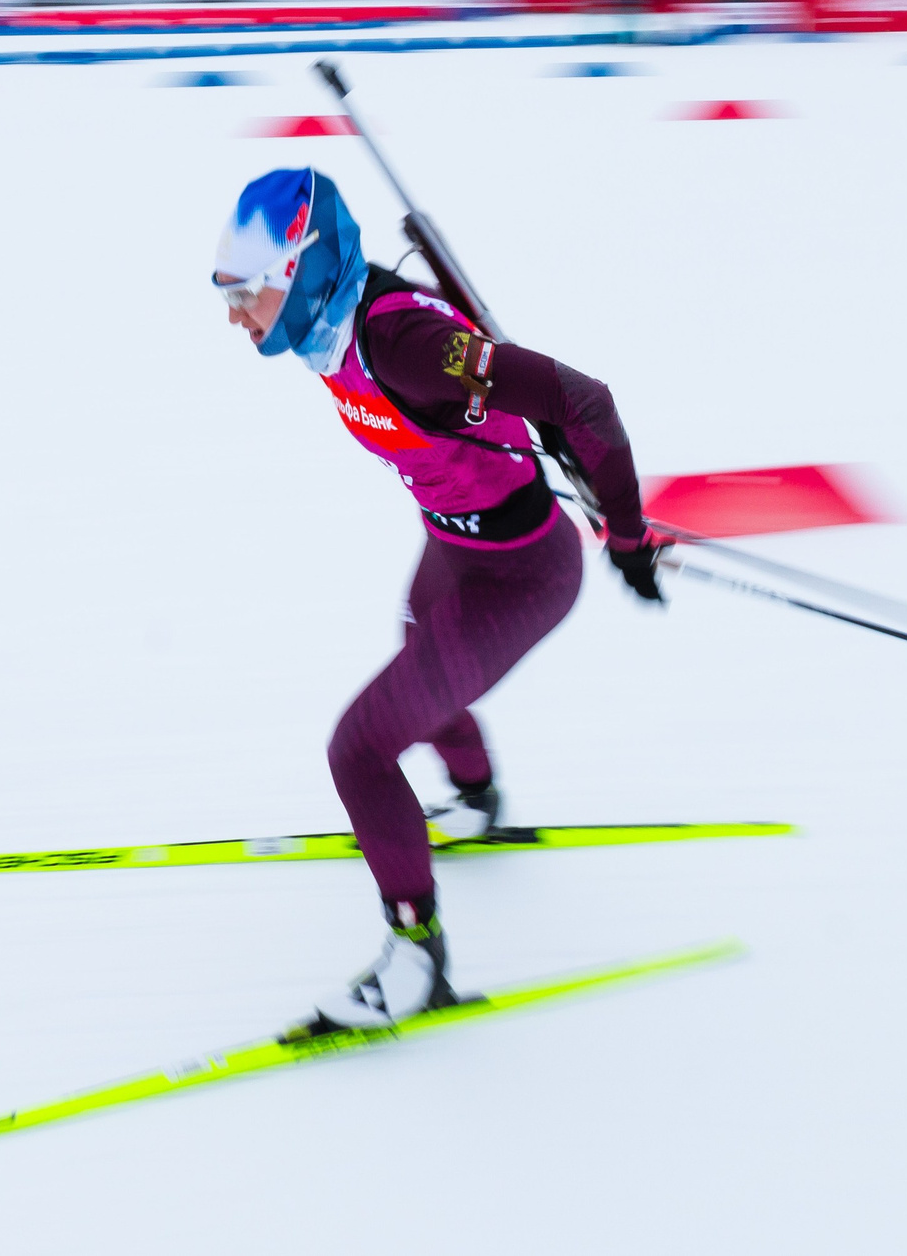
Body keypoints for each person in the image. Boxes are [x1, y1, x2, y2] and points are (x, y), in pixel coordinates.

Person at [211, 167, 665, 1030]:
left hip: (520, 575)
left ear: (304, 273)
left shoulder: (402, 343)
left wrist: (630, 534)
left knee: (359, 752)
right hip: (455, 550)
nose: (236, 316)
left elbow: (584, 403)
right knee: (418, 658)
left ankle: (419, 960)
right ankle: (479, 800)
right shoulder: (336, 325)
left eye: (248, 293)